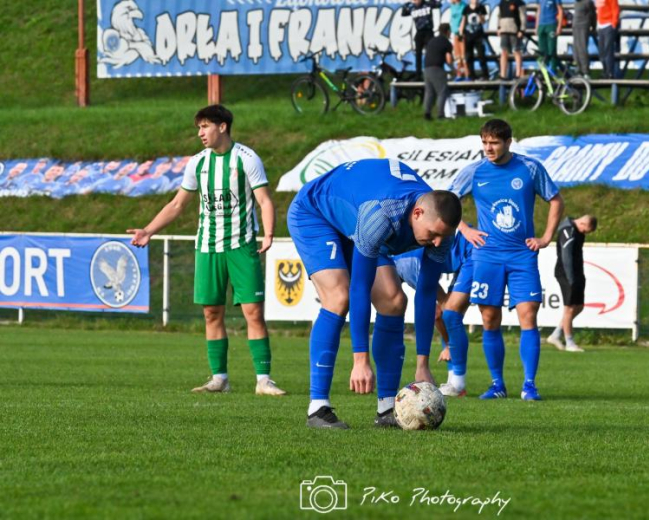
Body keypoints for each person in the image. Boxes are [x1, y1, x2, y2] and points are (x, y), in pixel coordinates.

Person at [287, 158, 461, 429]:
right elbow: (360, 286)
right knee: (339, 296)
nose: (437, 242)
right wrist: (360, 360)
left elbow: (427, 293)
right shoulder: (381, 214)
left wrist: (422, 364)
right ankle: (317, 407)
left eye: (443, 237)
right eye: (433, 234)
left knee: (393, 301)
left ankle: (387, 408)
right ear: (417, 214)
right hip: (316, 213)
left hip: (356, 219)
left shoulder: (441, 231)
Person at [127, 105, 285, 397]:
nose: (200, 133)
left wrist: (269, 233)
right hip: (207, 246)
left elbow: (264, 200)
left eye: (205, 126)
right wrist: (149, 230)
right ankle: (219, 379)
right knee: (212, 313)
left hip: (241, 245)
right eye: (198, 128)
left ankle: (264, 380)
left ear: (222, 127)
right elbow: (177, 205)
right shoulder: (197, 163)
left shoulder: (247, 159)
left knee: (253, 312)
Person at [450, 119, 564, 400]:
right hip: (486, 256)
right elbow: (446, 202)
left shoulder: (529, 168)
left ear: (508, 142)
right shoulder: (474, 171)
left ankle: (529, 385)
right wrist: (465, 229)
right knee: (489, 318)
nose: (489, 148)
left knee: (529, 315)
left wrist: (546, 237)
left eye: (494, 143)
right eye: (485, 143)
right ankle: (497, 384)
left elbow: (556, 200)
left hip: (522, 255)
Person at [392, 231, 474, 396]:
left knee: (449, 314)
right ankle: (454, 382)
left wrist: (449, 344)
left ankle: (457, 384)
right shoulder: (401, 259)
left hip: (472, 251)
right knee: (448, 315)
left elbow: (438, 309)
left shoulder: (406, 266)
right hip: (461, 251)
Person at [547, 215, 598, 352]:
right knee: (569, 308)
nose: (584, 233)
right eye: (585, 230)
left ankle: (556, 334)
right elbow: (566, 256)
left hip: (577, 272)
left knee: (579, 306)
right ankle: (569, 342)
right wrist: (571, 279)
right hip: (566, 273)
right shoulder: (567, 231)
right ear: (582, 223)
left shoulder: (577, 229)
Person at [402, 0, 443, 80]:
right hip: (419, 32)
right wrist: (408, 4)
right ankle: (418, 74)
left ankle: (432, 73)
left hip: (428, 32)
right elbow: (403, 13)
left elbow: (438, 4)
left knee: (431, 53)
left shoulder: (427, 4)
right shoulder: (412, 7)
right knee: (418, 54)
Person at [424, 23, 454, 120]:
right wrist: (454, 70)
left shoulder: (432, 40)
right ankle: (440, 115)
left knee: (429, 92)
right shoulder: (446, 43)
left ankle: (427, 114)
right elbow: (449, 60)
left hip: (426, 69)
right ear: (448, 31)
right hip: (437, 68)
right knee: (442, 92)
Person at [498, 0, 527, 79]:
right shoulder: (502, 2)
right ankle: (503, 74)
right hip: (504, 30)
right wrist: (499, 27)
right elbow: (499, 16)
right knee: (504, 52)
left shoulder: (519, 2)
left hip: (514, 31)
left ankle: (518, 74)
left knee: (516, 51)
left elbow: (523, 17)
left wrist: (522, 30)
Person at [461, 0, 489, 79]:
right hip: (468, 35)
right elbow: (463, 20)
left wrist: (480, 15)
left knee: (481, 55)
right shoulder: (466, 8)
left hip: (478, 35)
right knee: (469, 56)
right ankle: (472, 75)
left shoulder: (481, 8)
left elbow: (483, 21)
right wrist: (461, 31)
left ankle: (485, 74)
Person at [536, 0, 564, 70]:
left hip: (551, 24)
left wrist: (559, 26)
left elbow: (560, 10)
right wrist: (536, 26)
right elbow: (538, 10)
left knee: (551, 50)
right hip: (541, 25)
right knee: (542, 51)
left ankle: (553, 71)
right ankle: (543, 71)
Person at [595, 0, 619, 78]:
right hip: (601, 26)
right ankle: (605, 71)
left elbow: (615, 9)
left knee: (608, 50)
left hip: (608, 25)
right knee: (601, 52)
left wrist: (614, 24)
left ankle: (609, 72)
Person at [572, 0, 596, 77]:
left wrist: (593, 26)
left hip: (583, 26)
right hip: (576, 26)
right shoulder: (576, 3)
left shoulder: (588, 2)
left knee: (582, 48)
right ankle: (578, 69)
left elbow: (593, 14)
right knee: (576, 49)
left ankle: (585, 71)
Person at [449, 0, 468, 79]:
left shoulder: (464, 5)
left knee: (464, 55)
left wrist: (461, 29)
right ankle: (459, 74)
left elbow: (464, 18)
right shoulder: (452, 6)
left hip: (462, 33)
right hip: (455, 33)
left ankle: (467, 74)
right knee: (457, 56)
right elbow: (452, 19)